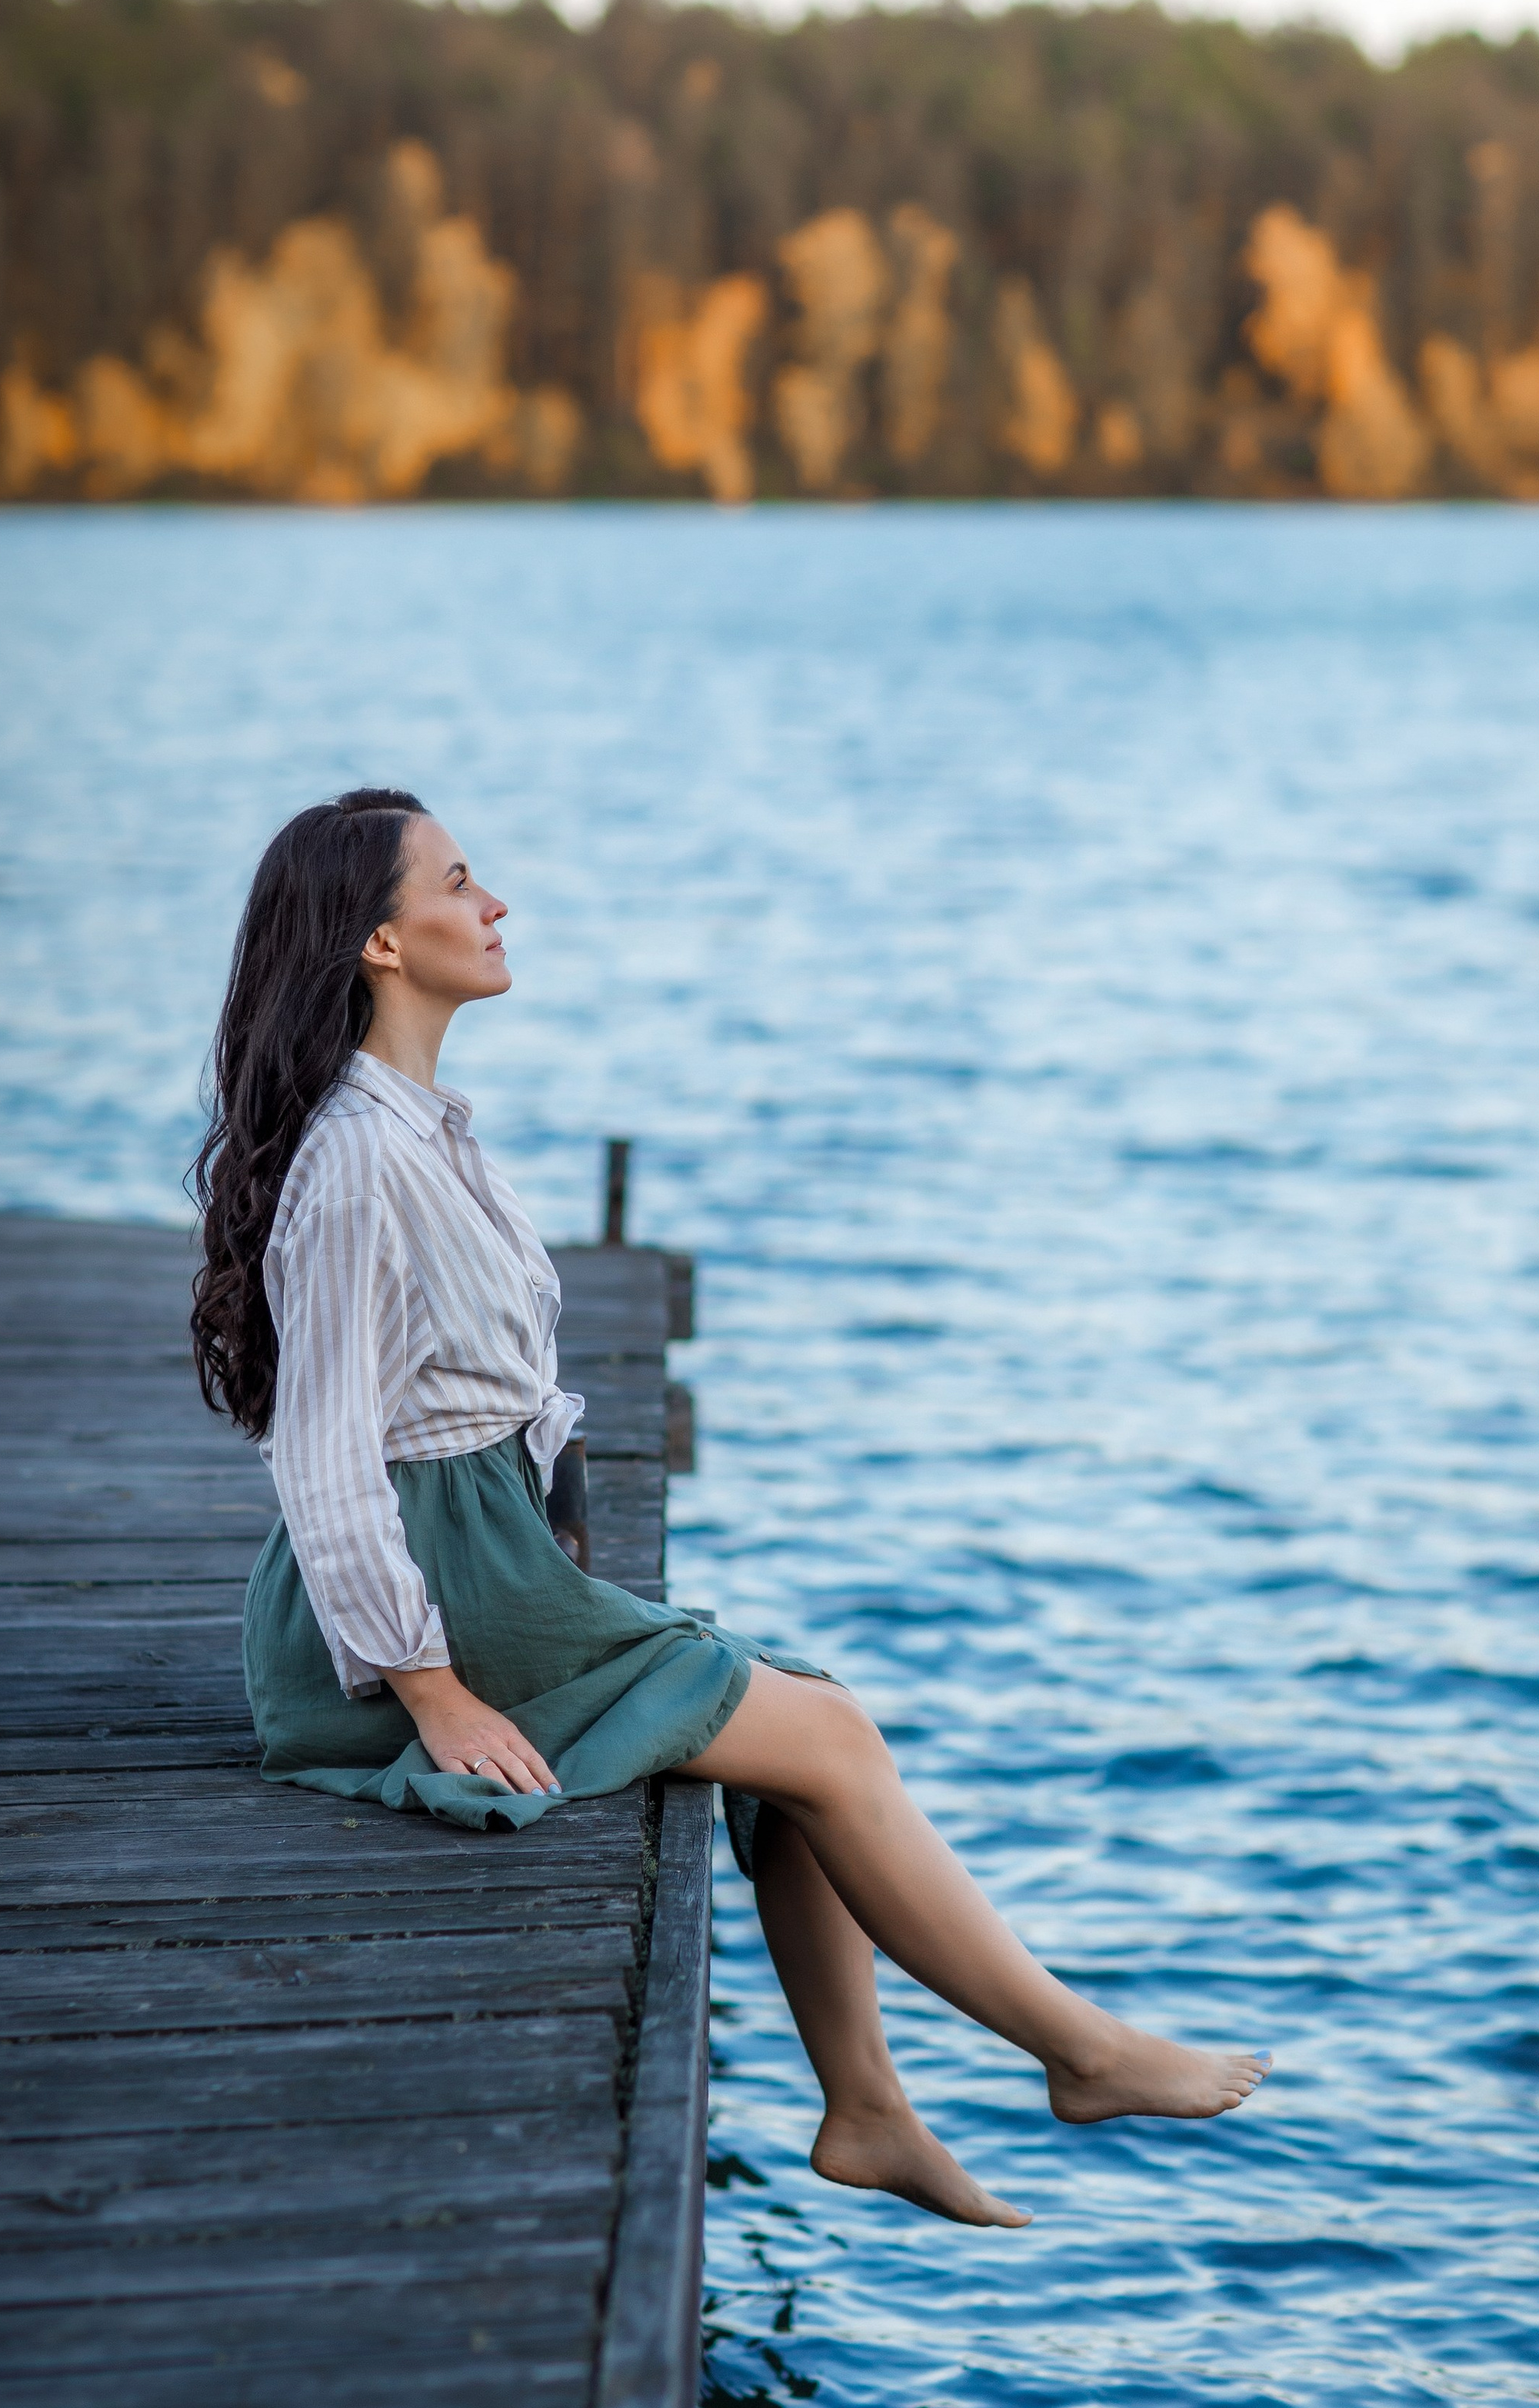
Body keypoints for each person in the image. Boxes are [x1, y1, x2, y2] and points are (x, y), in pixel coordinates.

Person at [192, 788, 1269, 2226]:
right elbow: (323, 1462)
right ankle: (1081, 2053)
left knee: (809, 1712)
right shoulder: (360, 1162)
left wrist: (542, 1520)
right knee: (818, 1733)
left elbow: (479, 1386)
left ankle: (871, 2111)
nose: (497, 902)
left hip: (488, 1561)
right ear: (384, 940)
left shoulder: (426, 1131)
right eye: (462, 881)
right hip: (416, 1619)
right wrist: (435, 1696)